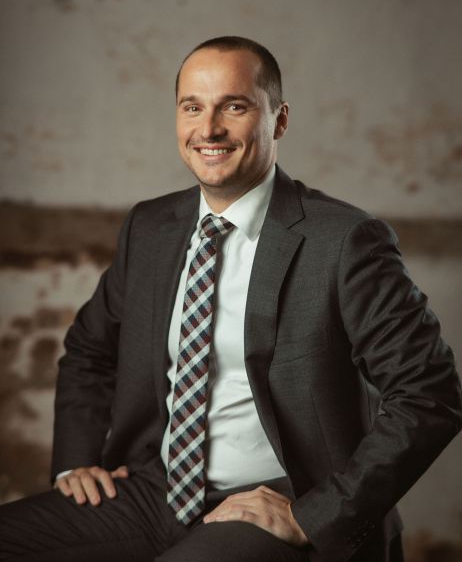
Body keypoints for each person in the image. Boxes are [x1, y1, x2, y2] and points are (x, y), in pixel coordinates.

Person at [0, 36, 461, 562]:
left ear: (279, 120)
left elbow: (428, 393)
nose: (209, 129)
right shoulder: (150, 227)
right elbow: (90, 348)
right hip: (154, 491)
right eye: (192, 107)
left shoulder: (344, 241)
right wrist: (75, 461)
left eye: (234, 107)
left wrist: (315, 515)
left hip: (278, 501)